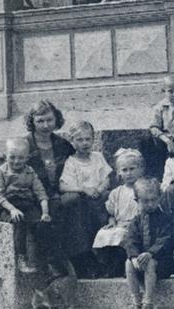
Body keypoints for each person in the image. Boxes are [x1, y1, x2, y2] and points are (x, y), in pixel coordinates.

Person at [23, 99, 77, 276]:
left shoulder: (63, 145)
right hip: (31, 197)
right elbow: (8, 172)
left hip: (56, 195)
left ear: (56, 120)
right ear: (32, 122)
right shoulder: (24, 145)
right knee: (45, 217)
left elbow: (75, 169)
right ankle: (52, 264)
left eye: (49, 120)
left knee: (76, 203)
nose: (45, 125)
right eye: (40, 121)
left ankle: (79, 261)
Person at [59, 120, 113, 276]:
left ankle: (107, 258)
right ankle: (86, 261)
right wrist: (84, 189)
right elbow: (63, 186)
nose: (85, 143)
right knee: (80, 209)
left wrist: (100, 188)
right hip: (83, 202)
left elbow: (106, 178)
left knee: (107, 197)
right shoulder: (71, 162)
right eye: (80, 140)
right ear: (72, 142)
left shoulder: (97, 157)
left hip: (99, 198)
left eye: (88, 139)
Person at [0, 137, 51, 273]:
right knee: (19, 222)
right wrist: (12, 210)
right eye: (12, 157)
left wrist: (45, 213)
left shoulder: (30, 172)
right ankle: (21, 258)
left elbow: (41, 193)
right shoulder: (1, 172)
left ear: (27, 158)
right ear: (5, 156)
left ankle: (37, 260)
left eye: (21, 158)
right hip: (7, 205)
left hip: (26, 204)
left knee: (39, 224)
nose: (16, 161)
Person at [121, 177, 174, 309]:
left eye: (154, 200)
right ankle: (136, 302)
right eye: (145, 201)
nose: (150, 204)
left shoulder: (166, 219)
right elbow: (130, 240)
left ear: (159, 198)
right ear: (137, 201)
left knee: (150, 262)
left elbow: (165, 240)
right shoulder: (136, 221)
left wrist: (150, 253)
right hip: (142, 263)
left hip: (163, 264)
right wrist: (134, 256)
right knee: (128, 263)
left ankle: (148, 303)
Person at [92, 148, 143, 278]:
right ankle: (109, 265)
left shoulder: (143, 189)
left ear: (141, 169)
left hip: (137, 224)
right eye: (124, 170)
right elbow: (112, 213)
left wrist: (133, 224)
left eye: (132, 169)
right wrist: (112, 222)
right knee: (104, 233)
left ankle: (122, 266)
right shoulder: (117, 192)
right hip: (119, 223)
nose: (128, 173)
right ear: (119, 172)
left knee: (123, 235)